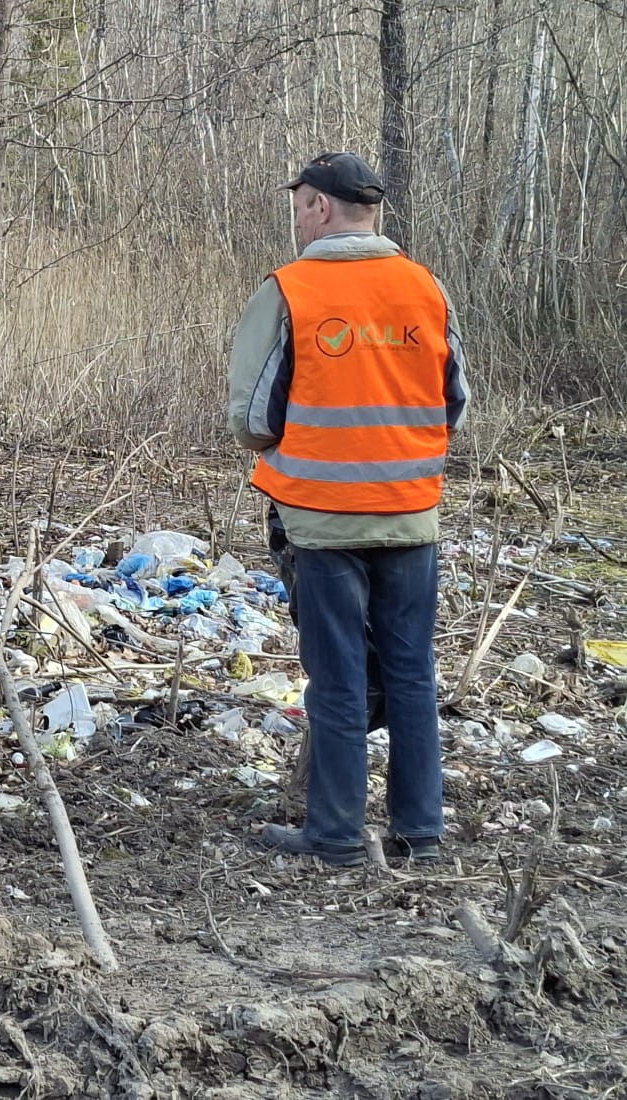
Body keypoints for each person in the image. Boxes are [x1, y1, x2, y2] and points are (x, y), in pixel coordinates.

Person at [228, 152, 468, 866]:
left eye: (299, 202)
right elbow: (455, 401)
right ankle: (420, 834)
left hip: (322, 519)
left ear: (322, 208)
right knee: (412, 674)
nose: (296, 215)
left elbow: (251, 420)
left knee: (336, 680)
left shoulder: (290, 291)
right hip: (410, 516)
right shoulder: (426, 288)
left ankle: (334, 836)